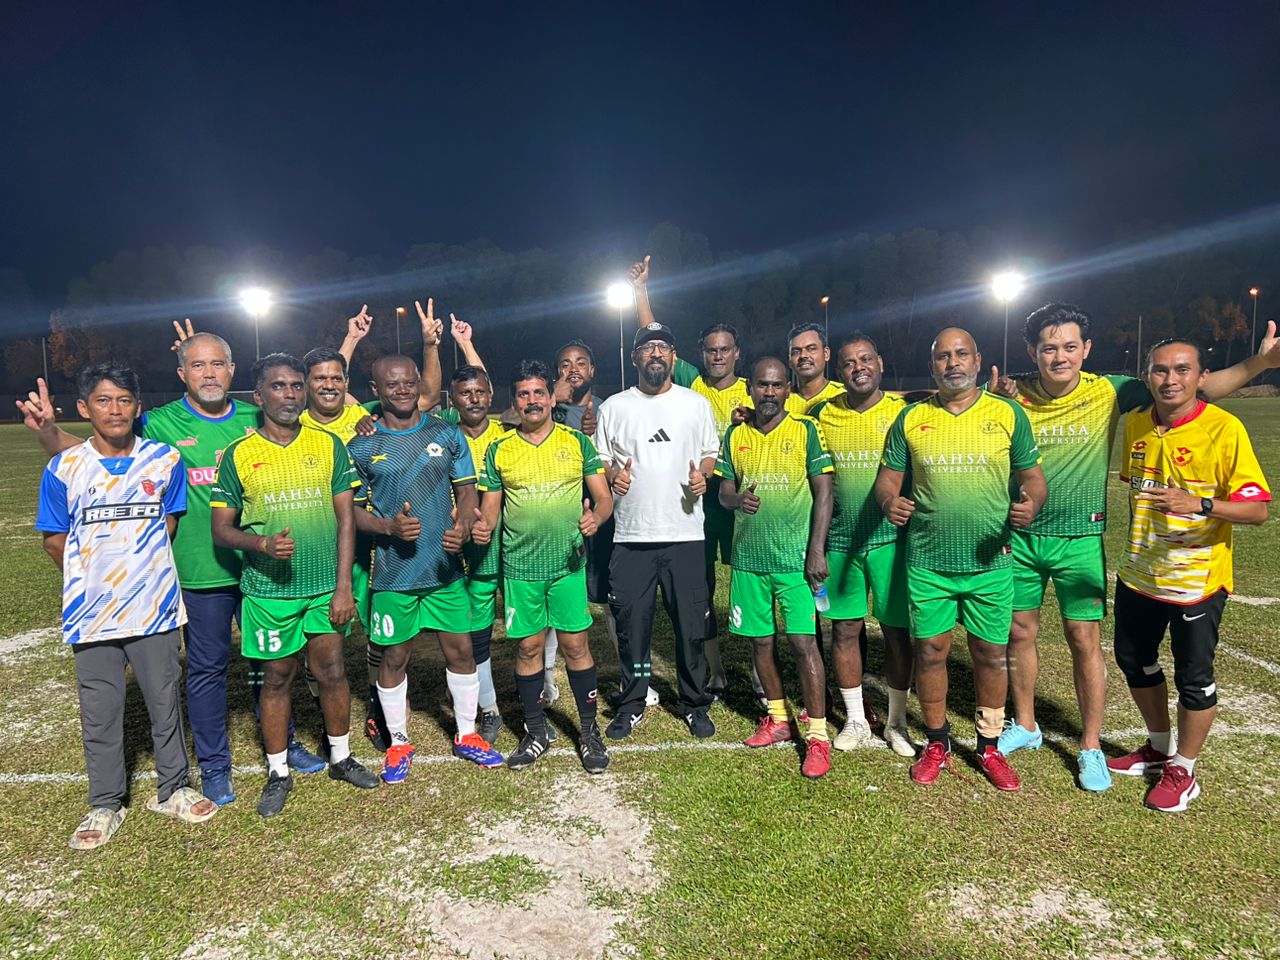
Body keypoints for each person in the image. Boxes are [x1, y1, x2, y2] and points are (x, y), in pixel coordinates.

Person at [19, 328, 328, 807]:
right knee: (207, 669)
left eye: (218, 364)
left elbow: (323, 421)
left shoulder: (257, 414)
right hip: (199, 573)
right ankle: (215, 765)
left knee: (272, 663)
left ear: (233, 370)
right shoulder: (159, 423)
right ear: (182, 373)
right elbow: (99, 451)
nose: (210, 374)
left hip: (264, 568)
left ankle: (284, 744)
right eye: (198, 365)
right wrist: (46, 431)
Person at [996, 306, 1280, 792]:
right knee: (1020, 633)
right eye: (1049, 347)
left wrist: (1259, 363)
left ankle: (1090, 746)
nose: (1060, 356)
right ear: (1032, 351)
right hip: (1021, 535)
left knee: (1084, 639)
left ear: (1086, 349)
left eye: (1070, 346)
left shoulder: (1111, 391)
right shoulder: (1012, 393)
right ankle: (1025, 724)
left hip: (1080, 538)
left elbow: (1197, 388)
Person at [37, 362, 217, 849]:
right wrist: (94, 580)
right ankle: (105, 802)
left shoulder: (164, 460)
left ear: (137, 408)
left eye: (123, 400)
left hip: (155, 607)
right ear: (84, 408)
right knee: (99, 710)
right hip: (91, 613)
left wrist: (139, 573)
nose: (114, 410)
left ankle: (173, 789)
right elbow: (54, 539)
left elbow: (168, 525)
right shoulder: (64, 467)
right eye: (103, 400)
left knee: (164, 701)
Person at [874, 327, 1046, 791]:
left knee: (990, 654)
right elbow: (887, 480)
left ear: (977, 360)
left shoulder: (1007, 413)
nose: (953, 363)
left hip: (990, 562)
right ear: (932, 365)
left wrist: (1031, 503)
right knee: (931, 651)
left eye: (961, 354)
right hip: (928, 562)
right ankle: (937, 742)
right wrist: (890, 502)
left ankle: (989, 746)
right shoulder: (911, 418)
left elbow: (1033, 478)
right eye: (943, 356)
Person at [211, 354, 379, 817]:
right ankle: (278, 771)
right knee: (277, 678)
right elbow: (220, 530)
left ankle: (340, 758)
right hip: (269, 593)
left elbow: (347, 521)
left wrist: (343, 587)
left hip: (324, 588)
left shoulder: (328, 445)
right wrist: (261, 543)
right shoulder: (239, 454)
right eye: (278, 386)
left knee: (332, 672)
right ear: (258, 396)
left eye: (295, 386)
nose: (289, 394)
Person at [1107, 339, 1270, 812]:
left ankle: (1184, 769)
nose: (1170, 379)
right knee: (1135, 662)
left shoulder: (1224, 428)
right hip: (1140, 573)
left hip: (1196, 582)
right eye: (1160, 370)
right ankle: (1159, 749)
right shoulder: (1138, 424)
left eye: (1182, 370)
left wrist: (1199, 503)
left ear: (1202, 377)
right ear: (1147, 376)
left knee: (1194, 679)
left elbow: (1257, 510)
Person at [348, 354, 503, 782]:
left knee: (462, 651)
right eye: (391, 384)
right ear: (376, 390)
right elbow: (350, 513)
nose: (402, 390)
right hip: (394, 575)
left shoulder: (447, 434)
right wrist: (387, 527)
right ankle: (398, 743)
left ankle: (467, 734)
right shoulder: (361, 445)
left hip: (443, 569)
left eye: (409, 382)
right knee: (395, 656)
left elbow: (467, 491)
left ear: (419, 383)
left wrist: (464, 523)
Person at [473, 360, 614, 774]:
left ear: (552, 398)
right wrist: (481, 527)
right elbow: (491, 510)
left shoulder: (577, 442)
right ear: (514, 401)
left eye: (538, 392)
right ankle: (535, 732)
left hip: (568, 566)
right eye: (523, 394)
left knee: (575, 647)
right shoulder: (500, 449)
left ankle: (588, 731)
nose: (532, 400)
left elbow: (603, 499)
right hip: (520, 569)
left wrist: (596, 518)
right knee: (528, 648)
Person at [594, 321, 720, 739]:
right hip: (632, 537)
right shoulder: (615, 407)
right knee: (633, 628)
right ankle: (632, 702)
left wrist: (703, 476)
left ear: (673, 356)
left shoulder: (695, 404)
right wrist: (613, 475)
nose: (655, 353)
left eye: (662, 347)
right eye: (647, 347)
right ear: (635, 358)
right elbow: (602, 458)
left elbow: (709, 453)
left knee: (691, 627)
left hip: (685, 535)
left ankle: (694, 702)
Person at [629, 254, 744, 696]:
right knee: (702, 587)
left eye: (724, 350)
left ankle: (758, 665)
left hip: (739, 499)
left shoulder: (754, 390)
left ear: (736, 354)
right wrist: (641, 290)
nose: (717, 356)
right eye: (711, 350)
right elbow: (652, 338)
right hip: (696, 500)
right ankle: (716, 669)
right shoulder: (692, 382)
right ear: (700, 356)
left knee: (751, 580)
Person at [715, 357, 836, 779]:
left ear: (788, 389)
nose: (769, 392)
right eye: (762, 385)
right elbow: (724, 492)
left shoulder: (805, 430)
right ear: (750, 388)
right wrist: (736, 500)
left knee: (804, 644)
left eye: (777, 385)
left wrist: (816, 551)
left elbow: (824, 493)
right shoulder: (736, 433)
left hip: (794, 562)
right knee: (761, 644)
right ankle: (780, 719)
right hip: (749, 561)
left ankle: (818, 736)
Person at [811, 335, 915, 756]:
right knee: (845, 630)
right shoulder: (822, 414)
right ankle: (856, 719)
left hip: (891, 540)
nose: (859, 368)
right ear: (839, 372)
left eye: (865, 359)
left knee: (896, 632)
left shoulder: (903, 412)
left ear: (880, 363)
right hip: (841, 541)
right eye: (849, 363)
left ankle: (897, 721)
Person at [785, 322, 845, 415]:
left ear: (826, 354)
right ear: (789, 360)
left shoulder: (844, 394)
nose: (803, 355)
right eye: (796, 352)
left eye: (811, 349)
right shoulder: (781, 400)